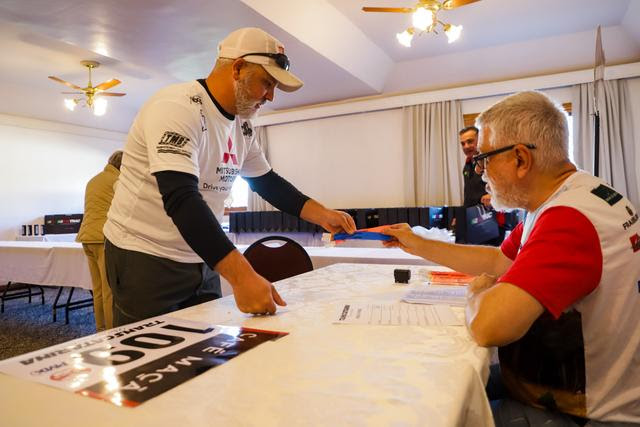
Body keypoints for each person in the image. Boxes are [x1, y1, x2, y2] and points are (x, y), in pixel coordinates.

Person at [384, 91, 640, 425]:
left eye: (485, 159)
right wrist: (416, 244)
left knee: (429, 407)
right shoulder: (569, 197)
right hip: (571, 381)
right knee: (437, 380)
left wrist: (478, 293)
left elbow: (489, 328)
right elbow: (497, 262)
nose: (481, 172)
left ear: (520, 158)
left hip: (587, 410)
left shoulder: (569, 219)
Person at [103, 27, 355, 326]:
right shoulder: (176, 107)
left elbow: (267, 182)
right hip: (145, 254)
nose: (271, 96)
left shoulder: (243, 124)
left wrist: (322, 214)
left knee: (205, 349)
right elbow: (181, 198)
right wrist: (243, 275)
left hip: (202, 254)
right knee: (146, 357)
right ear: (237, 68)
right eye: (267, 83)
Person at [76, 150, 122, 331]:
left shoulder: (93, 180)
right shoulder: (117, 181)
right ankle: (112, 333)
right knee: (109, 290)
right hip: (103, 238)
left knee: (97, 289)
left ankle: (101, 329)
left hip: (86, 237)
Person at [459, 126, 491, 208]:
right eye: (463, 143)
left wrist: (493, 197)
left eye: (470, 141)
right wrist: (461, 215)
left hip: (490, 214)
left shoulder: (490, 161)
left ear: (480, 140)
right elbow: (468, 195)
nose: (466, 146)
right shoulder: (467, 164)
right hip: (472, 214)